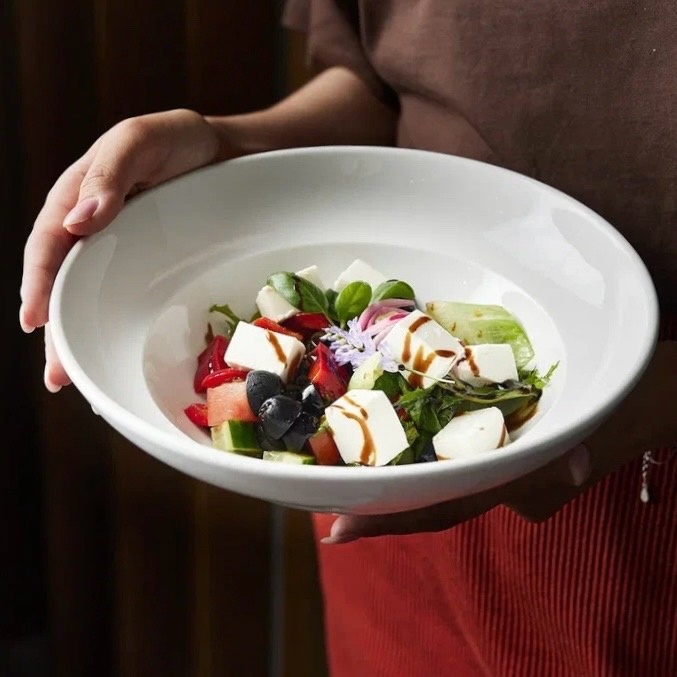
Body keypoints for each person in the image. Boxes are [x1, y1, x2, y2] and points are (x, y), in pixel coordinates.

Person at [20, 1, 676, 675]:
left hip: (637, 495)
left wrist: (658, 399)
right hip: (375, 515)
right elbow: (374, 84)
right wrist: (224, 145)